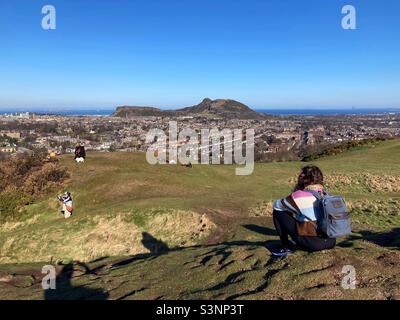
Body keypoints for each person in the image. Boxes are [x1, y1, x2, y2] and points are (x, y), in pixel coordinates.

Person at [271, 165, 336, 257]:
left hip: (313, 244)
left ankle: (286, 246)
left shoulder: (300, 195)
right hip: (331, 241)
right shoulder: (325, 194)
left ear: (304, 179)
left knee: (278, 212)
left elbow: (277, 205)